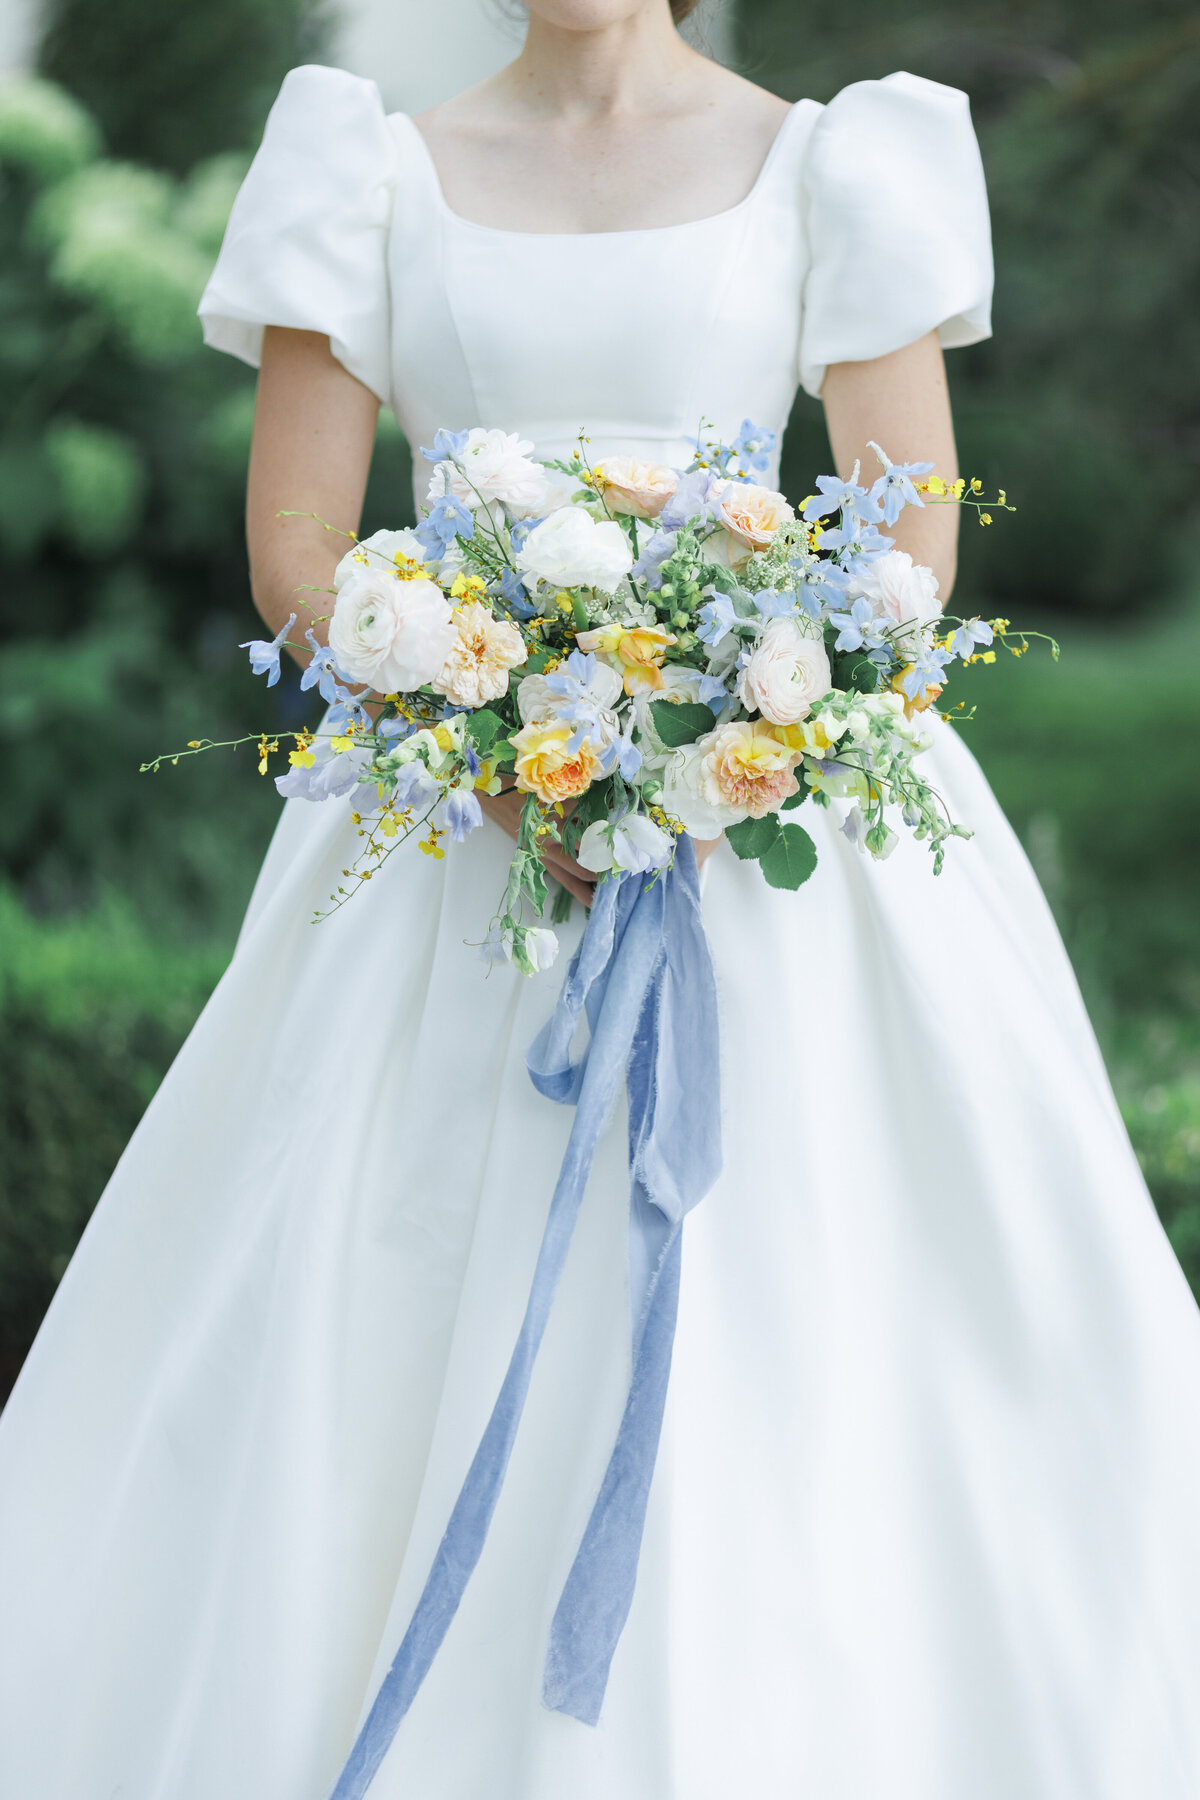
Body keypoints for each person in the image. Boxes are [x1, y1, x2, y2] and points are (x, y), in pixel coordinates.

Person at [4, 2, 1200, 1795]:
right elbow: (298, 545)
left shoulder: (837, 161)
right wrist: (494, 738)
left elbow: (910, 542)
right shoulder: (365, 169)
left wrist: (734, 737)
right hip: (448, 829)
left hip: (771, 822)